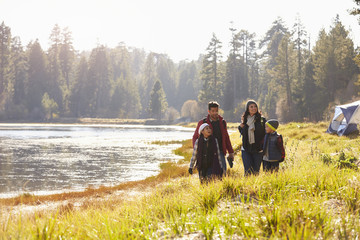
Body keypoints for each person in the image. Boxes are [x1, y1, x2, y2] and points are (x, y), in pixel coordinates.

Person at [192, 101, 234, 174]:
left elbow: (226, 137)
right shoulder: (202, 122)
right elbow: (195, 137)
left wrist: (231, 152)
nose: (215, 113)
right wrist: (197, 151)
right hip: (206, 152)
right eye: (213, 111)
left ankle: (222, 185)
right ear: (209, 111)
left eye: (216, 111)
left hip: (220, 151)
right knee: (207, 174)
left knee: (223, 172)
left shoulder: (222, 122)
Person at [238, 100, 266, 176]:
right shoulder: (245, 120)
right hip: (246, 149)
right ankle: (247, 187)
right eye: (251, 107)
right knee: (247, 171)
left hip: (258, 149)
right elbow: (242, 133)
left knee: (256, 171)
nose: (254, 108)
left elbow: (265, 134)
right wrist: (240, 127)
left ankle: (255, 187)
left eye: (255, 106)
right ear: (247, 108)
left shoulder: (262, 120)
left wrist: (263, 147)